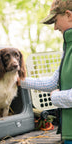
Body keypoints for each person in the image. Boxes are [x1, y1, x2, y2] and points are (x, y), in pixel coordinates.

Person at [20, 0, 72, 143]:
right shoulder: (68, 48)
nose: (55, 27)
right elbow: (53, 82)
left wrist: (56, 97)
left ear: (69, 15)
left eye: (55, 21)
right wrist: (18, 81)